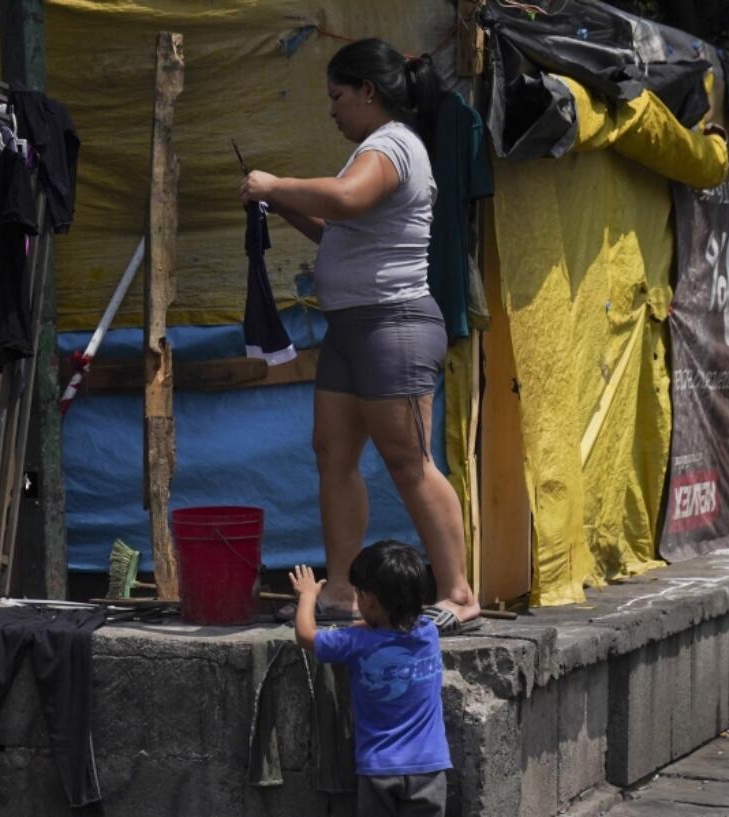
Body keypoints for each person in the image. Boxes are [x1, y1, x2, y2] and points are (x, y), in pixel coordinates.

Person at [239, 38, 479, 633]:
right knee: (333, 457)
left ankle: (458, 591)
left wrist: (276, 183)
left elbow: (346, 200)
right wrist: (282, 207)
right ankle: (342, 590)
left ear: (368, 92)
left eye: (337, 96)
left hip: (392, 325)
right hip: (349, 328)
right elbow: (339, 227)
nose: (332, 110)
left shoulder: (392, 144)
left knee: (408, 461)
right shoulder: (373, 150)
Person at [291, 542, 451, 817]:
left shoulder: (356, 643)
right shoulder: (428, 633)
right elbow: (390, 623)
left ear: (369, 600)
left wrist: (307, 595)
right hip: (429, 767)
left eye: (358, 594)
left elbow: (306, 635)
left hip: (378, 768)